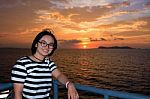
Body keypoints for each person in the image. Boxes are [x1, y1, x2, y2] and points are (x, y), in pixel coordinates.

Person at [11, 29, 79, 99]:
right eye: (43, 43)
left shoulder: (48, 62)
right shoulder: (22, 64)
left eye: (51, 44)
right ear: (36, 44)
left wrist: (69, 84)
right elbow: (18, 94)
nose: (47, 47)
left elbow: (59, 75)